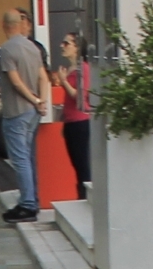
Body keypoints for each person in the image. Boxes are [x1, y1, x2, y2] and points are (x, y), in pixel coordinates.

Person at [0, 9, 46, 223]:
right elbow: (43, 77)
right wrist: (41, 101)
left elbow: (16, 82)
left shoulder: (7, 49)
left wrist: (33, 99)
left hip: (16, 111)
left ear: (4, 25)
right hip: (33, 112)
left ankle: (27, 205)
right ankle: (32, 199)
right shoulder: (32, 47)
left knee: (20, 159)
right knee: (29, 157)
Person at [57, 34, 93, 199]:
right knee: (76, 163)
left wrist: (64, 81)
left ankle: (86, 197)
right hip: (71, 122)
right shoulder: (71, 70)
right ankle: (81, 195)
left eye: (67, 43)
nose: (62, 46)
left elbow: (79, 96)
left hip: (80, 122)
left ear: (77, 47)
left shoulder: (83, 69)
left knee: (82, 163)